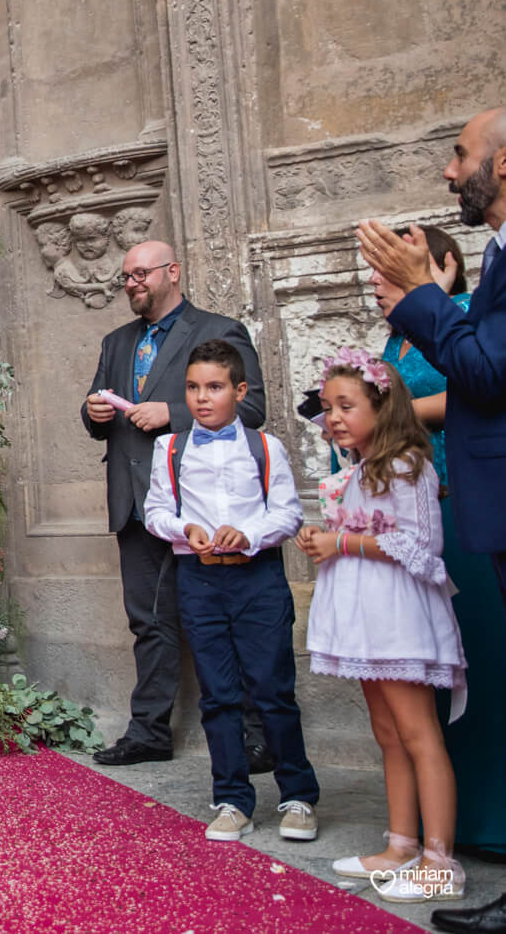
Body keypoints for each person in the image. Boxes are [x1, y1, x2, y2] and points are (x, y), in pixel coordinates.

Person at [356, 109, 506, 933]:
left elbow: (483, 374)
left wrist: (421, 292)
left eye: (460, 155)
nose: (451, 172)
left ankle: (445, 852)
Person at [82, 239, 273, 770]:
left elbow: (253, 407)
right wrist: (93, 411)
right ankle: (148, 733)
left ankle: (258, 735)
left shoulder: (217, 330)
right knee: (148, 622)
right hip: (134, 504)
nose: (132, 283)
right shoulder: (116, 342)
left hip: (202, 507)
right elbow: (97, 412)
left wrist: (174, 413)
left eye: (142, 273)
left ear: (173, 272)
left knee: (231, 618)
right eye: (126, 276)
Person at [300, 351, 467, 904]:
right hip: (365, 617)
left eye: (347, 406)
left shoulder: (407, 465)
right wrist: (325, 541)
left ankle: (441, 860)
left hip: (397, 617)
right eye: (328, 408)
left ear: (382, 405)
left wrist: (342, 541)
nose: (335, 418)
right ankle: (400, 844)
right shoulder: (358, 472)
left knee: (419, 733)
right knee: (389, 733)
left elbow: (422, 547)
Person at [141, 339, 319, 843]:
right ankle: (232, 799)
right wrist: (183, 530)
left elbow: (287, 513)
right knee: (218, 696)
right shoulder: (168, 448)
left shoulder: (267, 447)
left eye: (214, 387)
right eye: (193, 388)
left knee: (272, 690)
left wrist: (251, 535)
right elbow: (155, 510)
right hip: (199, 579)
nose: (202, 398)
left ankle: (298, 796)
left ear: (239, 391)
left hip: (258, 578)